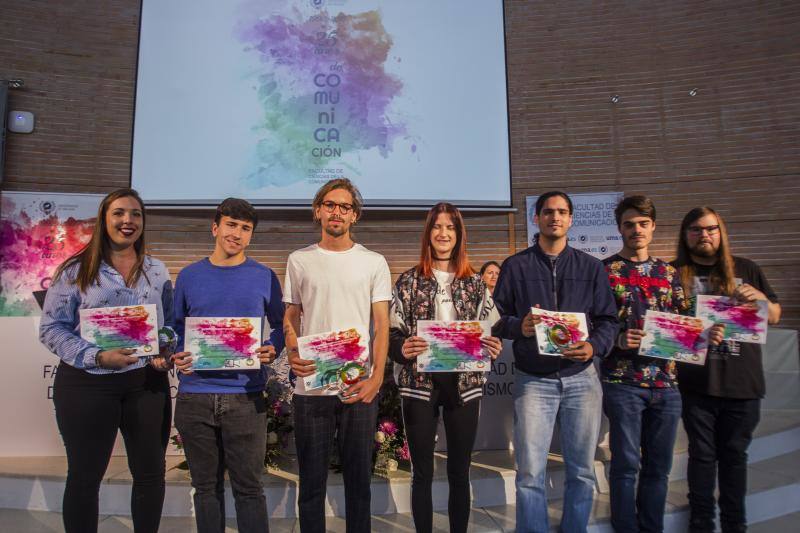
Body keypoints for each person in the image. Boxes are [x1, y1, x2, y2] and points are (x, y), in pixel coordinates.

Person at [39, 188, 174, 533]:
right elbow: (51, 328)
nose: (127, 221)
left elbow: (168, 325)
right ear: (104, 219)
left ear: (143, 222)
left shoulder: (157, 271)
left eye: (135, 214)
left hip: (145, 383)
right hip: (87, 385)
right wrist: (97, 355)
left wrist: (164, 352)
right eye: (119, 213)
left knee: (150, 474)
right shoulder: (74, 270)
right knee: (85, 476)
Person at [492, 190, 618, 533]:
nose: (555, 217)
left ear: (571, 219)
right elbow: (495, 318)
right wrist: (521, 326)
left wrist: (594, 348)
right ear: (537, 218)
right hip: (534, 380)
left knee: (581, 470)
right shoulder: (516, 266)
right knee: (531, 471)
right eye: (548, 212)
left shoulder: (591, 267)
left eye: (562, 212)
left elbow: (608, 320)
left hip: (582, 379)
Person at [602, 196, 724, 533]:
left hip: (667, 386)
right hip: (622, 382)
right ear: (620, 229)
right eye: (629, 224)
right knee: (626, 466)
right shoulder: (604, 271)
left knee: (658, 468)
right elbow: (596, 324)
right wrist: (615, 340)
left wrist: (704, 336)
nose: (636, 230)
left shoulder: (670, 273)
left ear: (653, 227)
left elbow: (686, 321)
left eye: (642, 223)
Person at [284, 178, 392, 533]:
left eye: (345, 206)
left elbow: (381, 324)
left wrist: (376, 378)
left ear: (354, 215)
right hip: (311, 389)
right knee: (311, 485)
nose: (337, 212)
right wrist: (291, 347)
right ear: (318, 211)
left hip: (358, 387)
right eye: (330, 204)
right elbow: (291, 316)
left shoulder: (374, 262)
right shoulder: (299, 259)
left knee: (358, 485)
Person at [171, 198, 285, 533]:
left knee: (250, 489)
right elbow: (177, 327)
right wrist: (179, 351)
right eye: (231, 225)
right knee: (205, 488)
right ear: (215, 227)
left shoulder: (264, 276)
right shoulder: (189, 276)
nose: (236, 233)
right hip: (195, 396)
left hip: (245, 398)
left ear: (251, 236)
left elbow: (280, 326)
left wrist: (271, 347)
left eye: (245, 228)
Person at [389, 203, 503, 533]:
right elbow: (394, 331)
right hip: (419, 384)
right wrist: (402, 347)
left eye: (450, 227)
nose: (443, 233)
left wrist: (492, 346)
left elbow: (488, 329)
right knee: (422, 471)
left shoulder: (475, 283)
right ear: (428, 233)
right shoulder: (409, 280)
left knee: (459, 470)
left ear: (458, 235)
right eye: (437, 227)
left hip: (464, 386)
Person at [672, 207, 781, 533]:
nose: (704, 235)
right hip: (696, 383)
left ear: (720, 232)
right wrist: (697, 333)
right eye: (695, 229)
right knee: (702, 457)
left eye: (710, 229)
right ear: (685, 234)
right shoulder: (675, 273)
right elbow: (662, 330)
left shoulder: (746, 269)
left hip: (742, 383)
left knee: (734, 458)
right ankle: (701, 523)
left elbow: (774, 314)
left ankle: (736, 525)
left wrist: (761, 298)